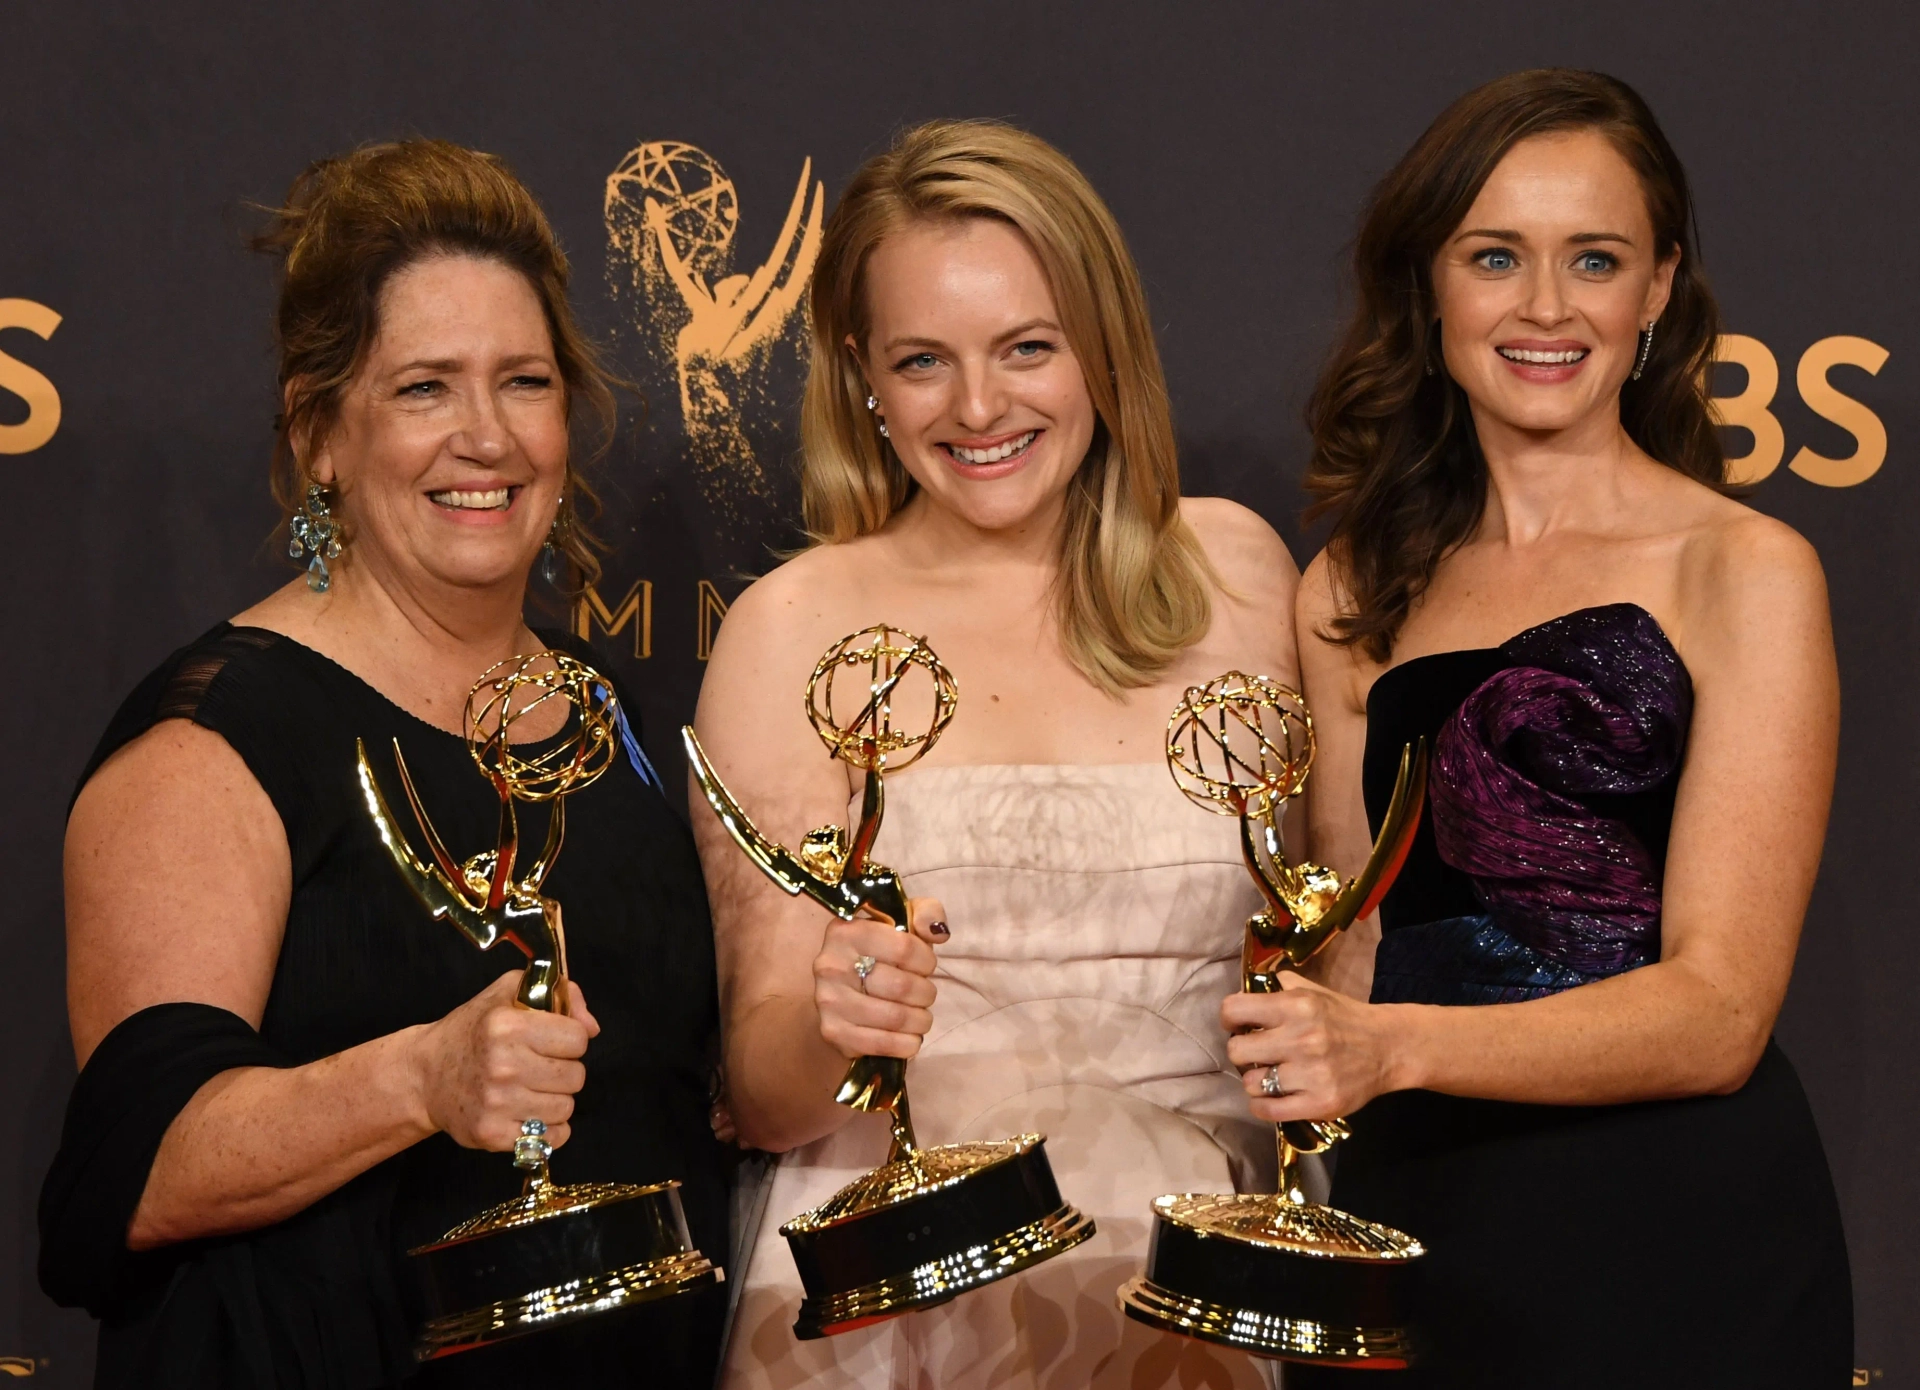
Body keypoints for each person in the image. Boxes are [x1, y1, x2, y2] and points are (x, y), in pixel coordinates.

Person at [39, 140, 729, 1388]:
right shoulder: (214, 739)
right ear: (321, 436)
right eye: (423, 388)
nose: (485, 436)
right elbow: (129, 1175)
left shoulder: (620, 715)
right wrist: (417, 1076)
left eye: (523, 381)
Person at [1230, 70, 1851, 1387]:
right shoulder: (1350, 585)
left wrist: (1394, 1046)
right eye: (1497, 256)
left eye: (1597, 259)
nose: (1548, 308)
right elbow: (1357, 949)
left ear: (1660, 288)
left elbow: (1719, 1010)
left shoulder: (1746, 571)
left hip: (1683, 1238)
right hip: (1415, 1230)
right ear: (1429, 283)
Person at [691, 120, 1297, 1388]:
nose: (979, 408)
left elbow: (1327, 937)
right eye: (924, 360)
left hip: (1193, 1284)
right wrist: (831, 1021)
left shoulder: (1238, 574)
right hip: (902, 1305)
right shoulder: (791, 628)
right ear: (860, 371)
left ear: (1104, 344)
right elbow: (765, 1090)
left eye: (1028, 347)